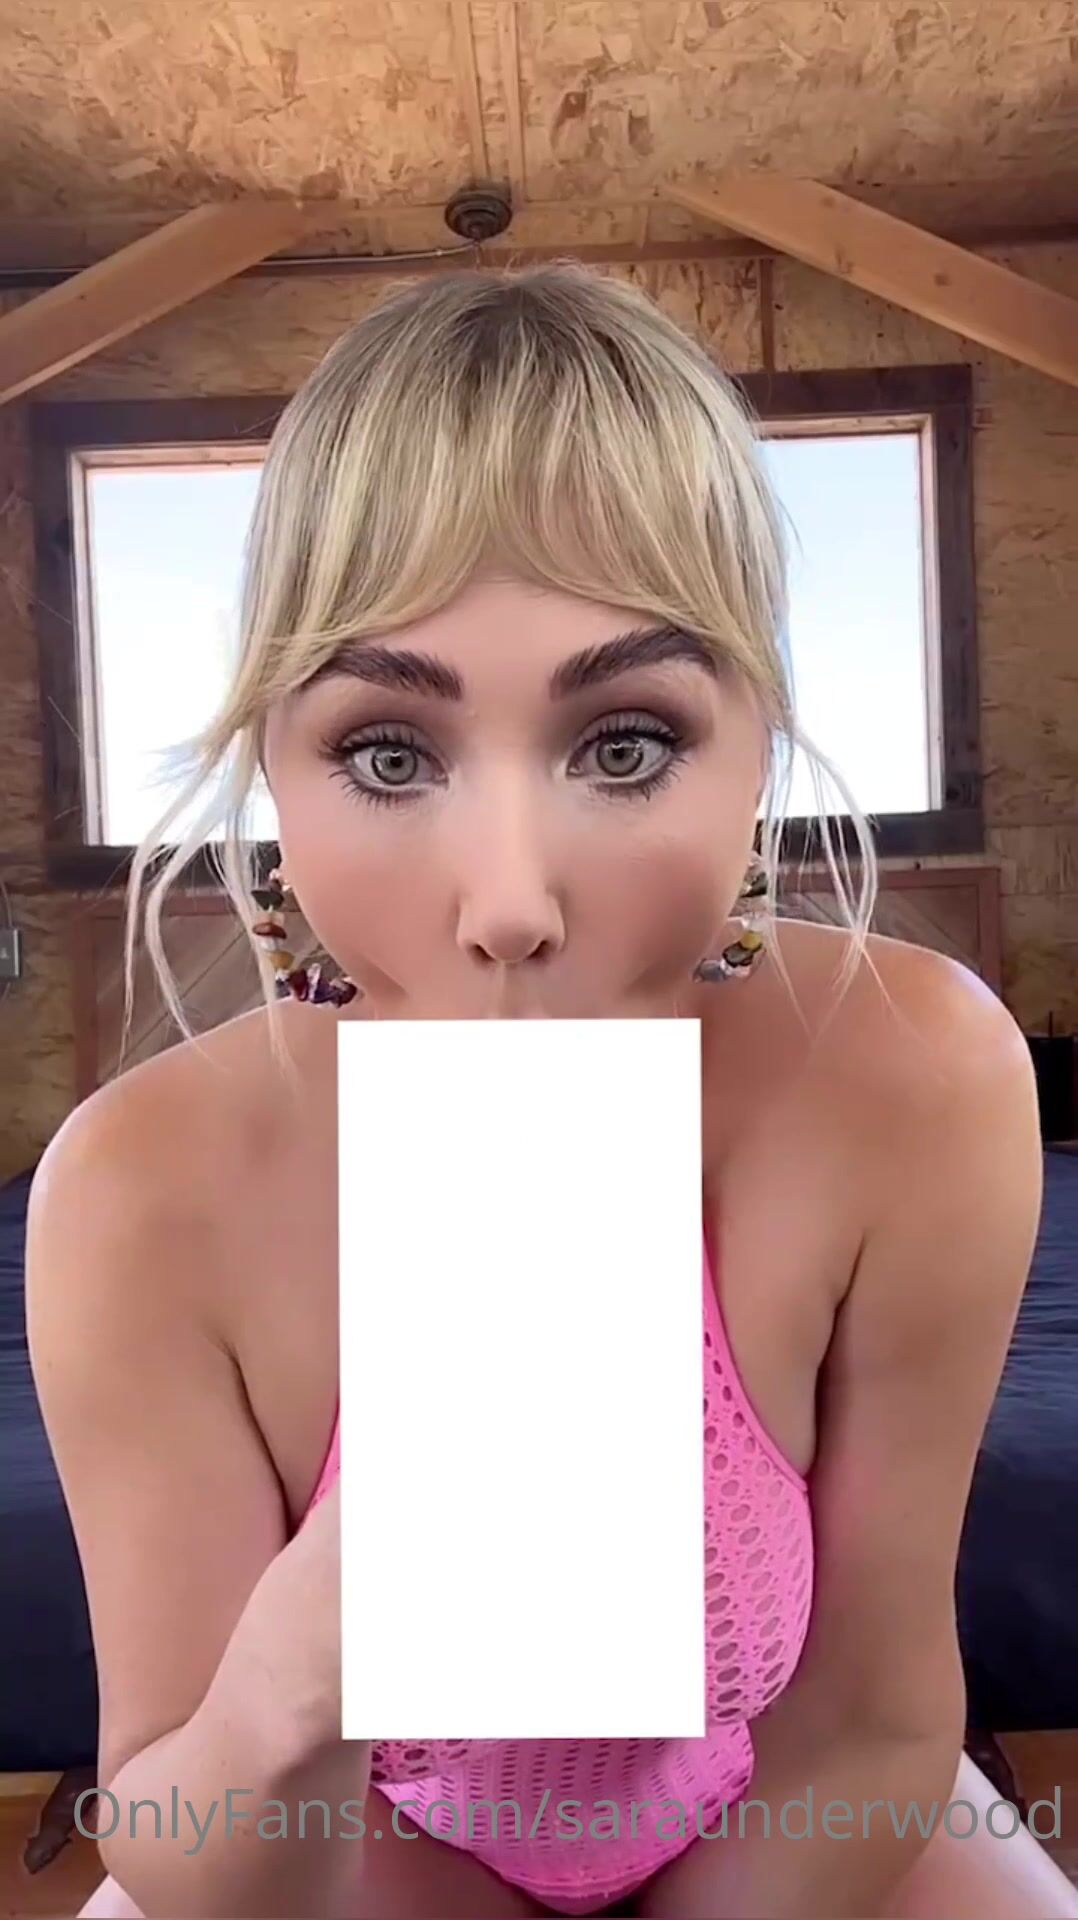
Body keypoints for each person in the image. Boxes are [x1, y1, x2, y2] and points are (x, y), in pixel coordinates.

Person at [26, 264, 1078, 1920]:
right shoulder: (139, 1185)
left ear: (756, 743)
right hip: (364, 1853)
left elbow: (870, 1721)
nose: (510, 902)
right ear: (274, 766)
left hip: (789, 1806)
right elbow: (177, 1835)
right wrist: (292, 1680)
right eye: (388, 753)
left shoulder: (915, 1072)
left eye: (625, 742)